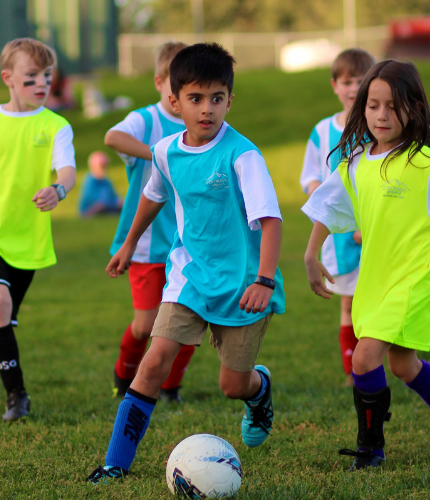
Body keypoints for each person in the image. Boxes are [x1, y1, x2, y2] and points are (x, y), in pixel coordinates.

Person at [86, 42, 285, 483]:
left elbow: (271, 221)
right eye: (196, 99)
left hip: (244, 285)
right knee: (154, 361)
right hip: (189, 278)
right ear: (174, 101)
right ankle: (115, 463)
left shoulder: (243, 155)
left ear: (230, 100)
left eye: (217, 98)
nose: (207, 109)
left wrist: (264, 281)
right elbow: (152, 196)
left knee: (232, 386)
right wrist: (128, 243)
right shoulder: (165, 151)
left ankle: (260, 388)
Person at [303, 60, 430, 471]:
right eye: (373, 105)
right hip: (376, 278)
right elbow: (327, 207)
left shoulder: (422, 162)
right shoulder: (354, 163)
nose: (382, 115)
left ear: (415, 109)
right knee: (403, 364)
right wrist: (311, 253)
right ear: (362, 108)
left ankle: (371, 452)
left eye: (393, 106)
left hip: (416, 277)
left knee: (364, 358)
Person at [104, 42, 195, 403]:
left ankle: (169, 386)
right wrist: (160, 155)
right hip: (144, 244)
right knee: (145, 326)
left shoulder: (203, 123)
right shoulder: (147, 120)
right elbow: (113, 137)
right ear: (159, 81)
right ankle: (124, 372)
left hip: (190, 244)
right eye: (176, 80)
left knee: (188, 321)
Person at [0, 38, 76, 422]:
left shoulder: (56, 126)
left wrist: (58, 189)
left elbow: (67, 172)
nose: (42, 83)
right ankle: (18, 397)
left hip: (27, 242)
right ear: (8, 78)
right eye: (32, 76)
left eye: (47, 76)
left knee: (1, 322)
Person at [300, 49, 375, 385]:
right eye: (347, 81)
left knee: (373, 303)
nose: (354, 88)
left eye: (362, 81)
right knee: (349, 305)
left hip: (375, 230)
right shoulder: (322, 131)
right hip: (339, 236)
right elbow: (312, 177)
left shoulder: (379, 127)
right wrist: (324, 198)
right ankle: (353, 372)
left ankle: (378, 362)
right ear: (334, 85)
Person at [78, 151, 123, 217]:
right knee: (100, 205)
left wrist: (119, 201)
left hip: (107, 205)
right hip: (91, 208)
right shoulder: (90, 180)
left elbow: (113, 195)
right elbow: (93, 198)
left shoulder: (106, 181)